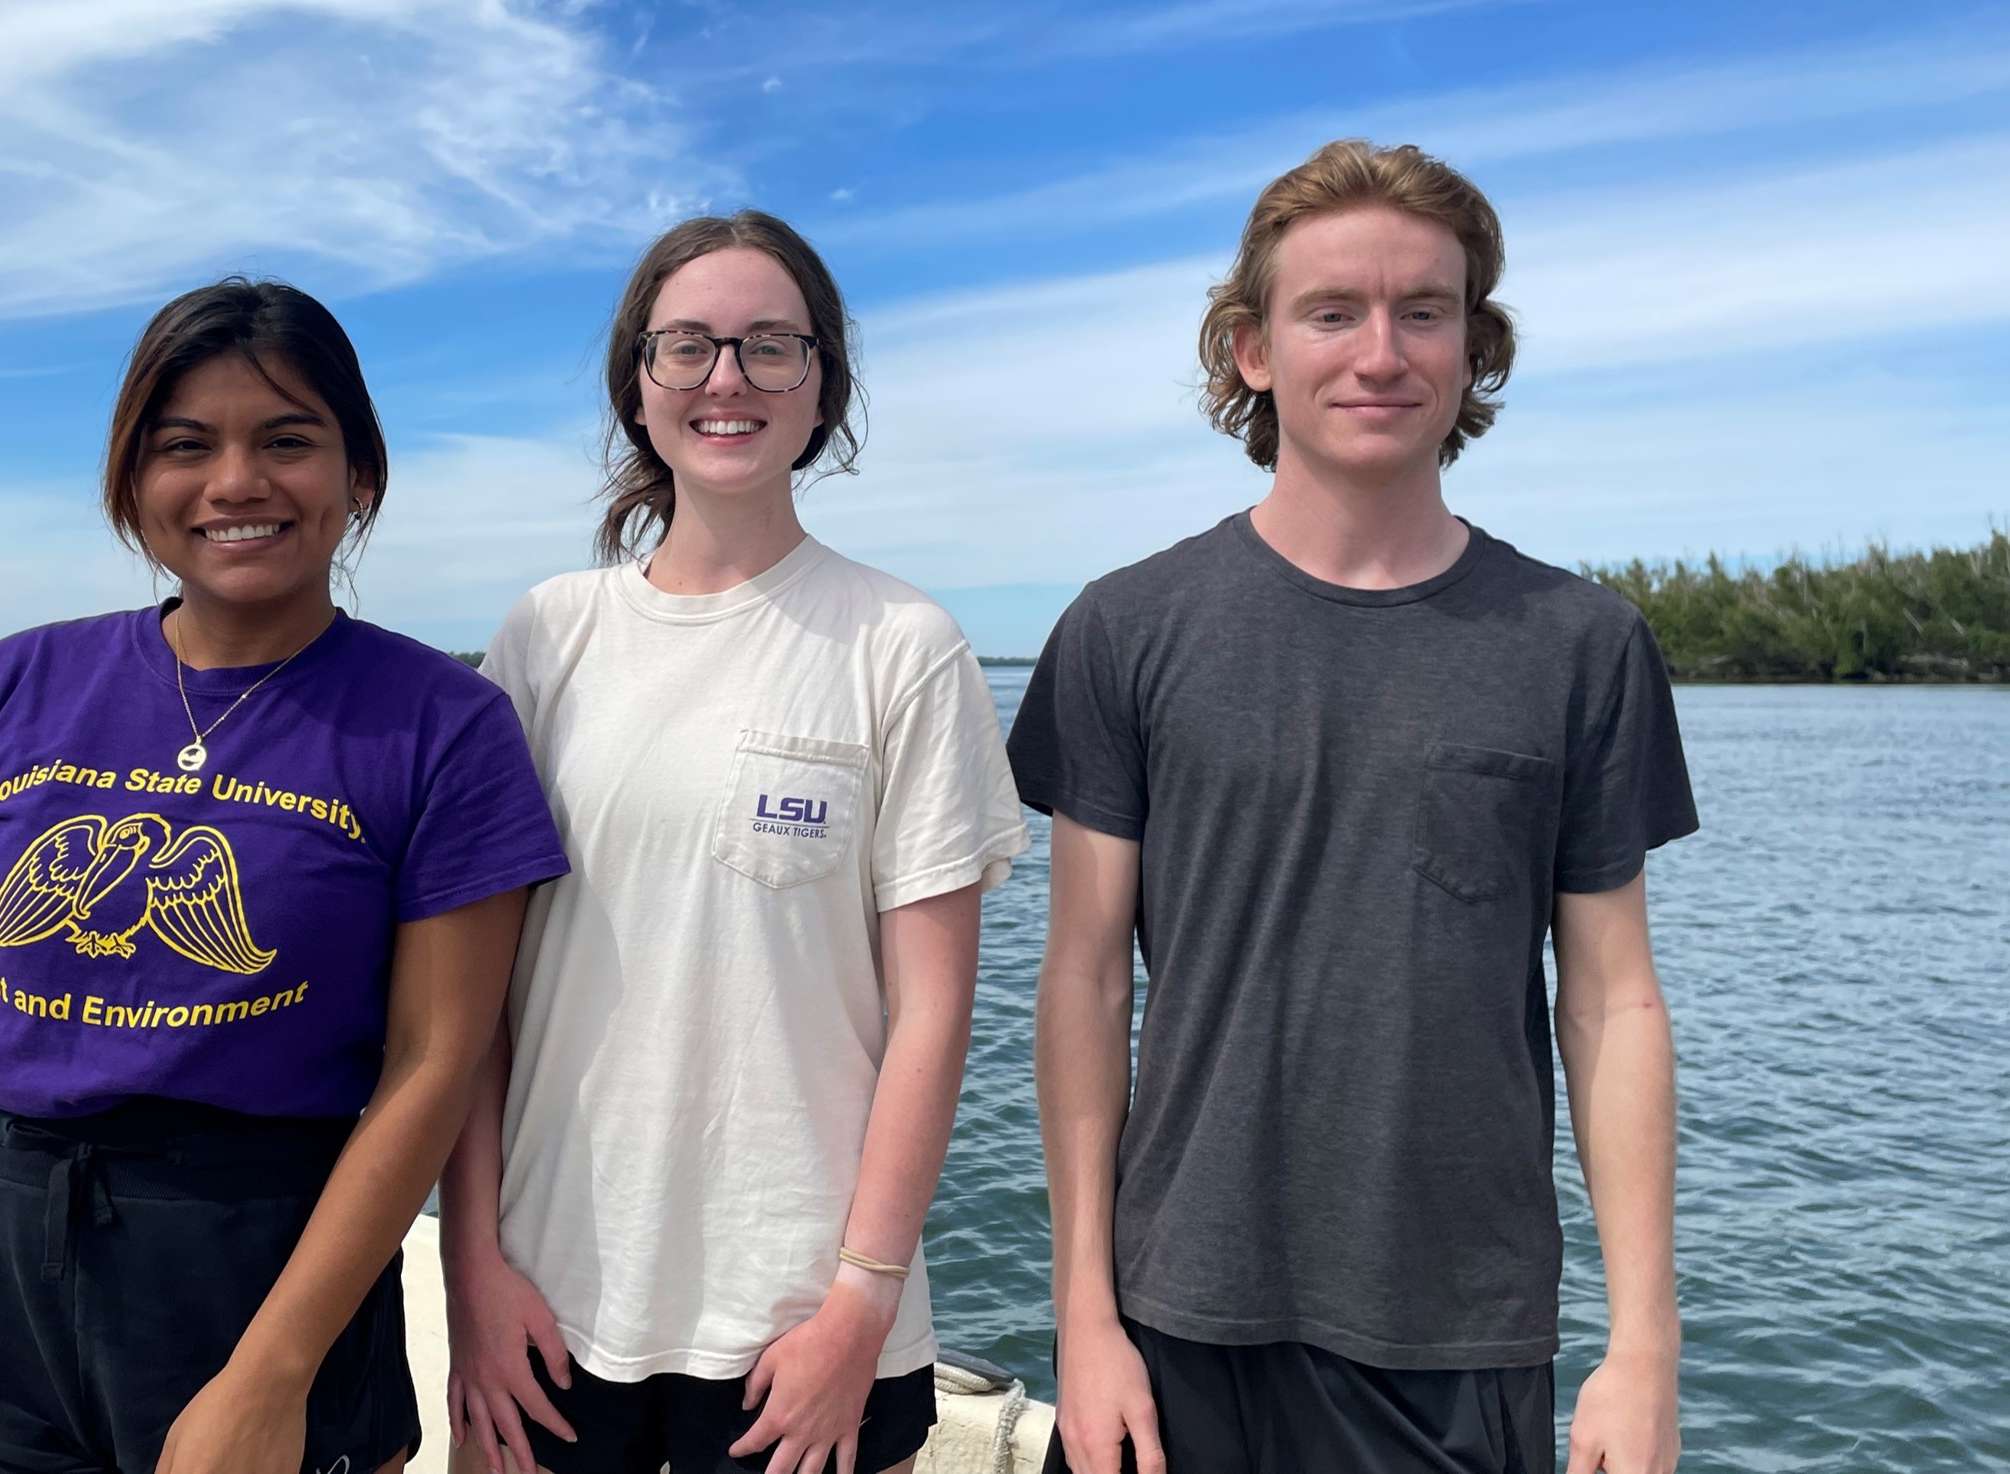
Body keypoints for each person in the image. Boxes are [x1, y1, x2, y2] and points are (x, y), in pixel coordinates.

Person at [0, 278, 570, 1474]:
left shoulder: (440, 724)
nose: (236, 482)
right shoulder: (16, 684)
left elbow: (430, 1062)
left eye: (288, 440)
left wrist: (271, 1377)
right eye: (185, 446)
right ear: (131, 482)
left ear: (360, 473)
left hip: (258, 1253)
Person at [1010, 140, 1698, 1474]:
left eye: (1422, 310)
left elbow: (1615, 997)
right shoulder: (1123, 628)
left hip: (1455, 1338)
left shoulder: (1581, 641)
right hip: (1171, 1322)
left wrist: (1644, 1344)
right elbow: (1086, 984)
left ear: (1472, 348)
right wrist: (1083, 1320)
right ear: (1253, 349)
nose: (1380, 352)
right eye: (1333, 312)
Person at [436, 210, 1030, 1474]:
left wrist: (862, 1305)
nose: (728, 380)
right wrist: (470, 1268)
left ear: (824, 388)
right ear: (635, 385)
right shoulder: (544, 639)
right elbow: (472, 1002)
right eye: (688, 346)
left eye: (772, 346)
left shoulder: (900, 643)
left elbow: (934, 1011)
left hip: (801, 1331)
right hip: (548, 1308)